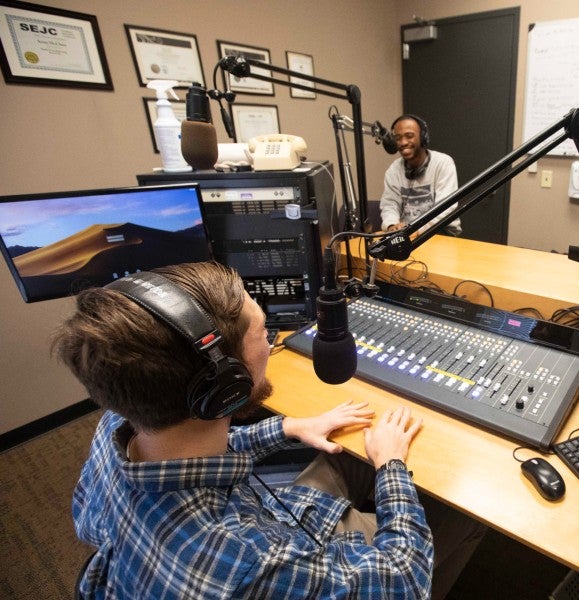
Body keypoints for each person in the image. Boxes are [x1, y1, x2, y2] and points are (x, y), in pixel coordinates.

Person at [54, 261, 484, 599]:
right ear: (227, 386)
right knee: (461, 511)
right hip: (286, 555)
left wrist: (290, 427)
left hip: (261, 521)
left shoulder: (122, 425)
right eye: (264, 331)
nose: (273, 339)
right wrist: (390, 465)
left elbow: (189, 454)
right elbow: (402, 579)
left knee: (343, 450)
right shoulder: (240, 564)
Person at [380, 114, 463, 236]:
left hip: (442, 232)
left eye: (409, 136)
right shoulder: (393, 170)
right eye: (398, 138)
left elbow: (445, 208)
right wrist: (392, 225)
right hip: (407, 235)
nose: (402, 142)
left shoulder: (443, 163)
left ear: (423, 137)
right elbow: (390, 204)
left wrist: (417, 230)